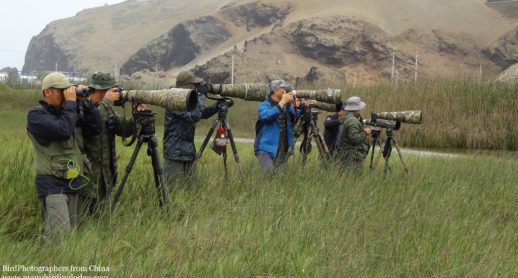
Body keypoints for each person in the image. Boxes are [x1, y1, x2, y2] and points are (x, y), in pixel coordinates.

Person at [27, 72, 101, 239]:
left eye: (68, 90)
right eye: (62, 91)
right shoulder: (36, 116)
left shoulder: (69, 112)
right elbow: (63, 130)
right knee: (59, 236)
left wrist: (86, 102)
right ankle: (48, 263)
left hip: (75, 180)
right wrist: (70, 103)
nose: (66, 94)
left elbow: (95, 128)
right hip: (52, 183)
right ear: (47, 92)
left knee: (74, 235)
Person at [81, 72, 142, 214]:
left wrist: (136, 116)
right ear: (100, 91)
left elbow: (123, 129)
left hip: (106, 176)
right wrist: (106, 102)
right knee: (86, 218)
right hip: (89, 177)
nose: (115, 94)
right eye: (111, 90)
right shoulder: (83, 107)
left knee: (103, 218)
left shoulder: (107, 109)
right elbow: (94, 123)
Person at [163, 71, 219, 191]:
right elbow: (194, 116)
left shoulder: (187, 100)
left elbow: (200, 114)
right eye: (194, 85)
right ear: (187, 86)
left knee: (191, 191)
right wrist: (202, 95)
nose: (196, 88)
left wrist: (218, 106)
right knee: (173, 192)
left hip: (188, 153)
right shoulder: (172, 100)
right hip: (175, 155)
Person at [254, 80, 300, 173]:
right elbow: (267, 117)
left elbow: (294, 117)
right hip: (265, 148)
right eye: (283, 88)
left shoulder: (287, 106)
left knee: (280, 178)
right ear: (275, 91)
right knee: (269, 173)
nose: (286, 90)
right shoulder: (264, 105)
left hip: (282, 148)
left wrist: (302, 107)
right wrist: (283, 102)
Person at [336, 96, 371, 170]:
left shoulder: (349, 118)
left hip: (348, 155)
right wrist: (365, 132)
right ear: (357, 108)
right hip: (352, 156)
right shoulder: (352, 120)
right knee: (354, 177)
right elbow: (355, 139)